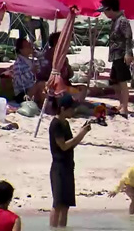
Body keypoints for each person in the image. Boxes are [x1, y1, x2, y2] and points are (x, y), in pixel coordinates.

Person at [49, 95, 91, 228]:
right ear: (62, 109)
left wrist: (81, 133)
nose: (73, 111)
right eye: (71, 109)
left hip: (68, 166)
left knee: (66, 205)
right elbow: (63, 146)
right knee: (58, 204)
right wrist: (82, 133)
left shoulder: (65, 123)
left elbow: (71, 145)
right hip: (59, 167)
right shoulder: (55, 124)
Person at [98, 0, 134, 117]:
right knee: (114, 81)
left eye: (105, 11)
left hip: (121, 55)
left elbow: (128, 38)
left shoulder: (122, 21)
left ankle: (125, 106)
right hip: (115, 55)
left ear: (110, 9)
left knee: (122, 82)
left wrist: (129, 53)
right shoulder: (115, 21)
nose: (105, 14)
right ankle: (121, 103)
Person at [37, 32, 86, 102]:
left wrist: (68, 67)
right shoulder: (47, 56)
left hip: (65, 85)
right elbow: (42, 75)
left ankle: (73, 102)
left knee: (83, 88)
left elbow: (70, 75)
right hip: (54, 87)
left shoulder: (63, 57)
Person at [12, 38, 45, 105]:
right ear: (21, 50)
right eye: (27, 46)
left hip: (32, 89)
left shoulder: (32, 61)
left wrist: (38, 55)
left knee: (44, 86)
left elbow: (44, 64)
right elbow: (19, 82)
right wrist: (31, 72)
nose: (30, 47)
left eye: (29, 45)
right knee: (40, 84)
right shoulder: (18, 64)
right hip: (22, 94)